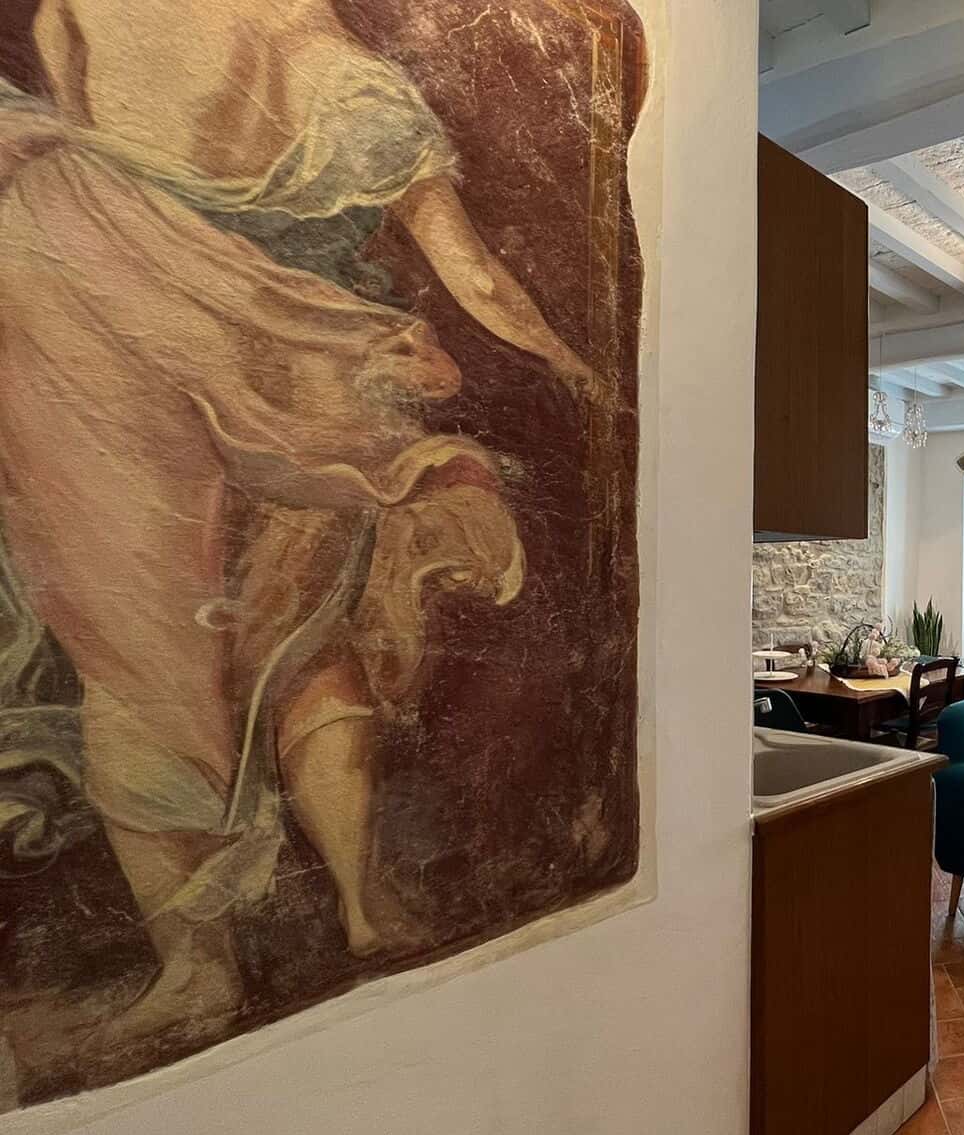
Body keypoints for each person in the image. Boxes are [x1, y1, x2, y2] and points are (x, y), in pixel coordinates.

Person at [0, 0, 597, 1045]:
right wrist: (582, 372)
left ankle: (198, 967)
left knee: (137, 651)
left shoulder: (72, 19)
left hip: (99, 332)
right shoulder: (331, 63)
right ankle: (365, 909)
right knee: (304, 636)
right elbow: (475, 279)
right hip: (297, 376)